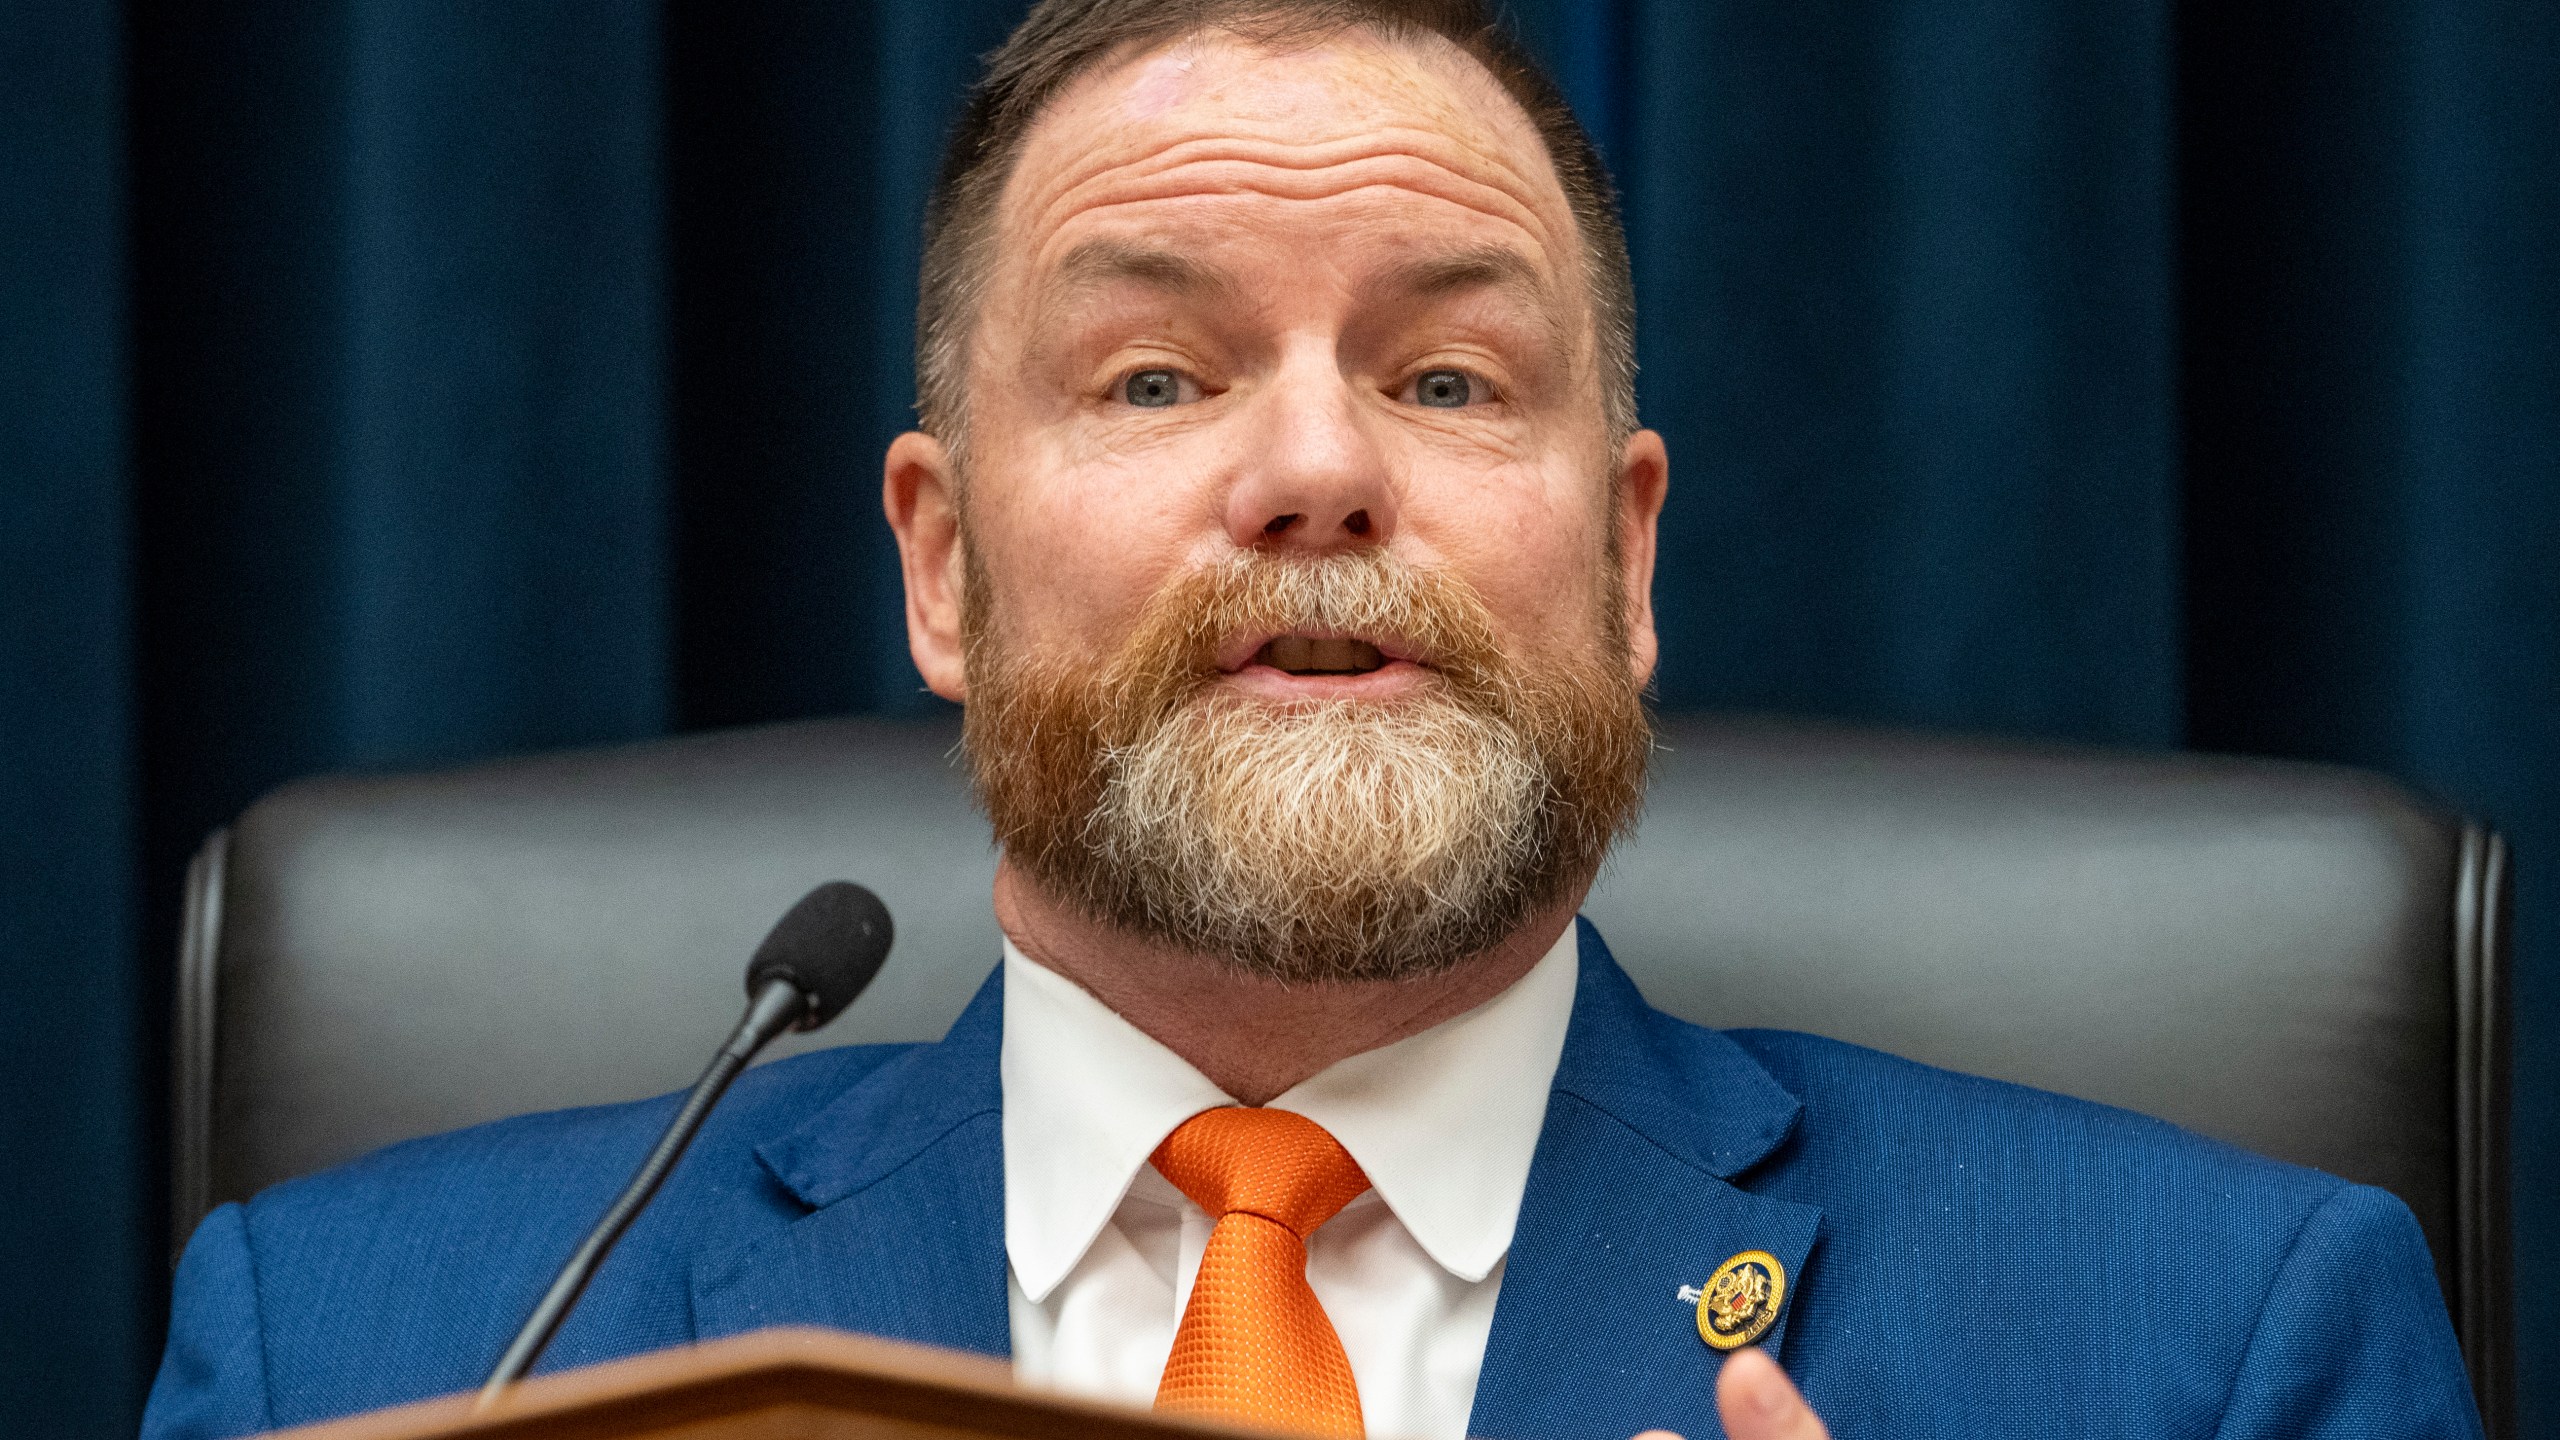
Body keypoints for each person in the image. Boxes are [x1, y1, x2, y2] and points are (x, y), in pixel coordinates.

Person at [143, 3, 2484, 1438]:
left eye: (1446, 375)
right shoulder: (386, 1350)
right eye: (1154, 373)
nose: (1314, 470)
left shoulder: (2213, 1349)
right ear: (938, 565)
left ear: (1628, 557)